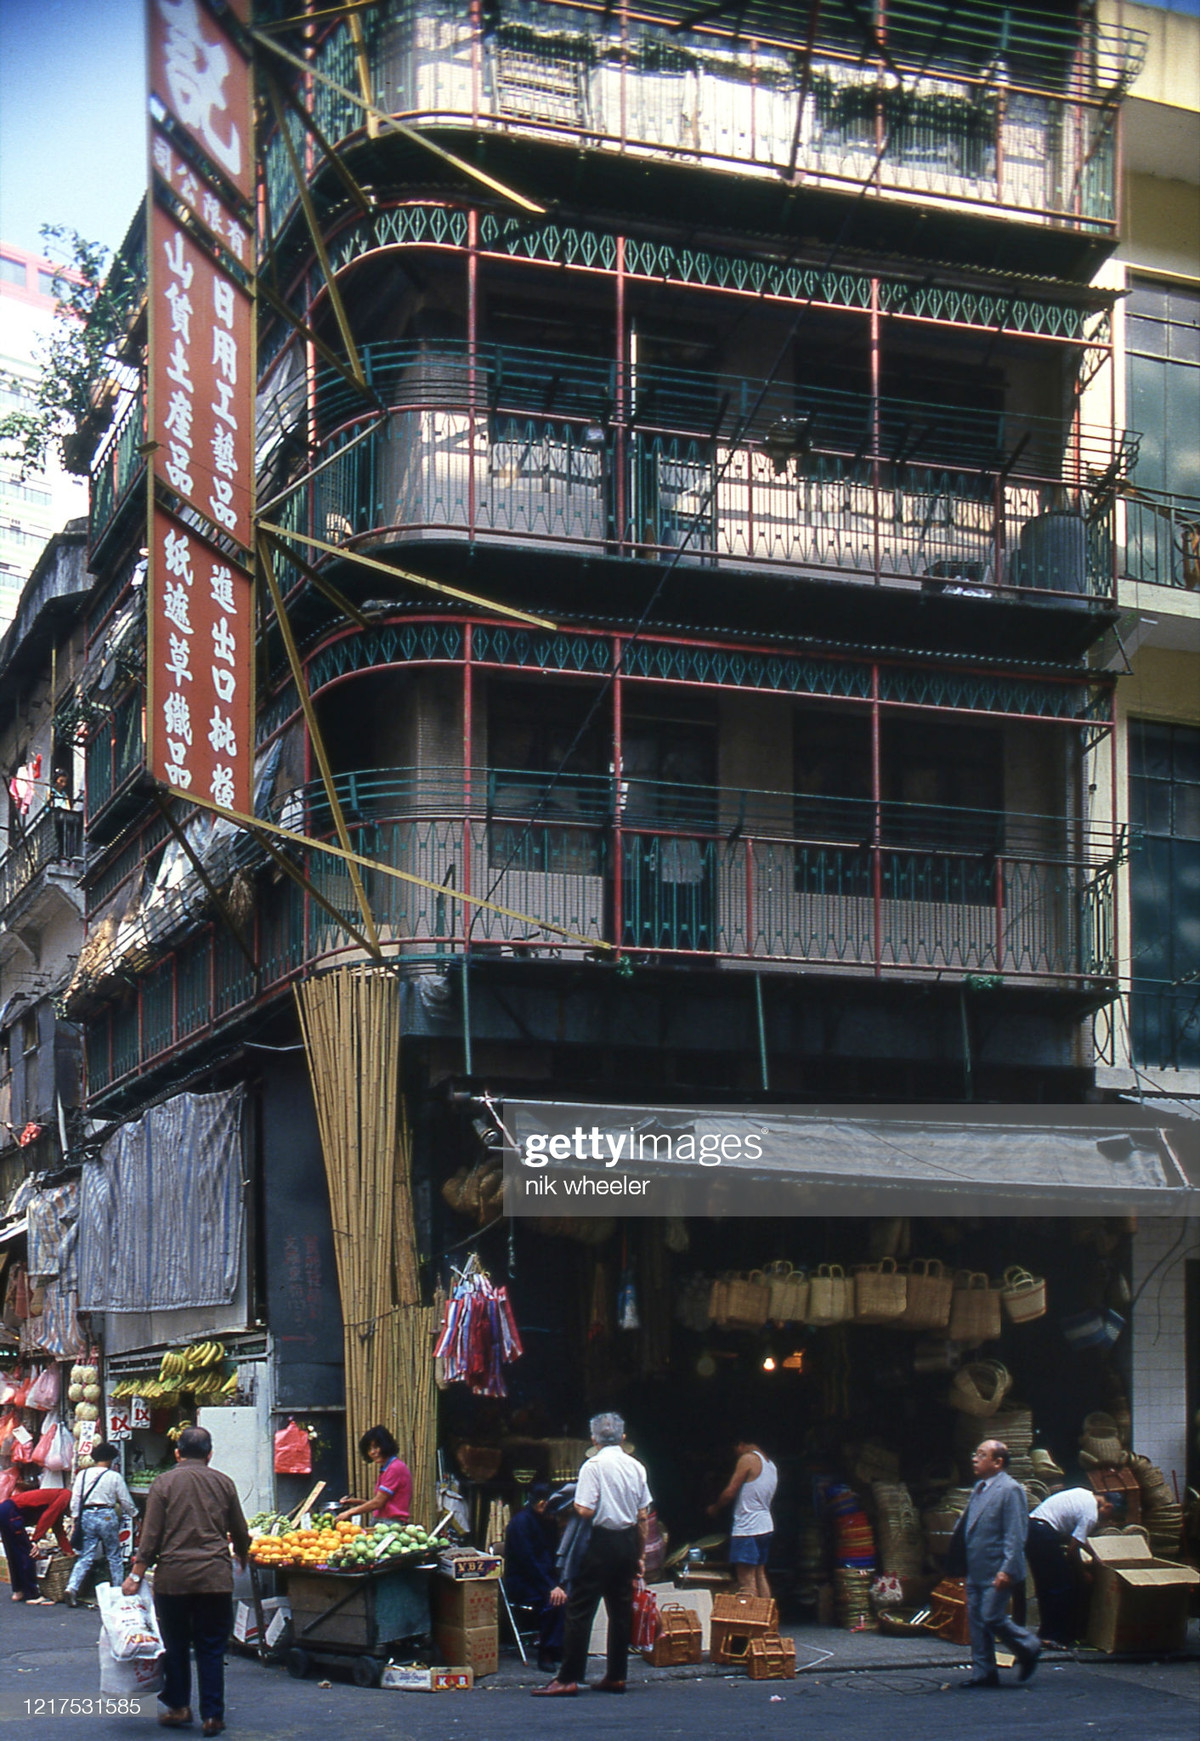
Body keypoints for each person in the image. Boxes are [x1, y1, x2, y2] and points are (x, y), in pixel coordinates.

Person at [121, 1424, 251, 1738]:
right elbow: (240, 1530)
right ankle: (212, 1716)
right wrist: (242, 1555)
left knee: (176, 1645)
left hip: (174, 1579)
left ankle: (179, 1707)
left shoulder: (164, 1483)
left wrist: (136, 1573)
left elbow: (150, 1535)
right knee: (211, 1648)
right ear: (210, 1454)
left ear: (177, 1453)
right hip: (215, 1578)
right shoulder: (224, 1483)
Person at [533, 1412, 651, 1699]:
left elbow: (585, 1509)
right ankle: (616, 1676)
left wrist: (566, 1501)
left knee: (580, 1609)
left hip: (599, 1543)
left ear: (594, 1439)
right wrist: (640, 1555)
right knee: (620, 1611)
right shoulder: (636, 1467)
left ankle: (568, 1678)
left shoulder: (592, 1465)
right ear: (623, 1438)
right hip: (626, 1541)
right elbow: (643, 1516)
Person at [952, 1439, 1042, 1689]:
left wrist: (1008, 1568)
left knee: (991, 1616)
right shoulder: (979, 1488)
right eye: (975, 1454)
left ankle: (1029, 1646)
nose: (975, 1459)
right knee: (977, 1621)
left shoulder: (1010, 1490)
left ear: (997, 1462)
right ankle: (984, 1673)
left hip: (997, 1569)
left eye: (981, 1455)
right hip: (975, 1568)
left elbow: (1016, 1533)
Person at [1025, 1486, 1121, 1646]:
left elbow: (1079, 1539)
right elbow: (1072, 1550)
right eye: (1110, 1517)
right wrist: (1083, 1573)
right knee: (1062, 1586)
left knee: (1046, 1586)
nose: (1108, 1521)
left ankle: (1045, 1634)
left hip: (1033, 1528)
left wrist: (1096, 1556)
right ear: (1108, 1506)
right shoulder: (1091, 1514)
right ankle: (1054, 1636)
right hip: (1043, 1533)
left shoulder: (1083, 1493)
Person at [64, 1443, 136, 1605]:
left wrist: (76, 1517)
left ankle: (72, 1587)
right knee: (113, 1555)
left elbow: (75, 1499)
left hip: (87, 1515)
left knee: (86, 1555)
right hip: (107, 1516)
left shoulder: (82, 1475)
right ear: (110, 1459)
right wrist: (135, 1514)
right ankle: (118, 1591)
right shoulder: (114, 1476)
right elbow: (124, 1500)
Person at [706, 1436, 777, 1598]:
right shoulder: (770, 1465)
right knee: (760, 1574)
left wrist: (715, 1508)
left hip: (747, 1527)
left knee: (746, 1581)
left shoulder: (748, 1459)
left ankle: (750, 1621)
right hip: (765, 1526)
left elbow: (730, 1492)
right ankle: (766, 1619)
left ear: (741, 1444)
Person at [504, 1483, 565, 1673]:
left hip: (543, 1577)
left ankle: (557, 1646)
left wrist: (557, 1583)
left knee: (568, 1596)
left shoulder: (548, 1521)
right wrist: (550, 1586)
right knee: (552, 1601)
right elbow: (528, 1561)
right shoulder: (520, 1523)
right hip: (523, 1580)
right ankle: (545, 1650)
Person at [335, 1425, 411, 1524]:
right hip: (384, 1521)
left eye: (376, 1447)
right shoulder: (386, 1468)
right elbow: (384, 1505)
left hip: (390, 1524)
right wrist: (355, 1501)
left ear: (385, 1445)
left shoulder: (395, 1468)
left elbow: (378, 1503)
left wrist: (349, 1512)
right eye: (369, 1449)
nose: (372, 1452)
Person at [0, 1469, 53, 1603]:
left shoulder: (56, 1495)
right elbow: (48, 1517)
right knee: (26, 1552)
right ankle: (31, 1593)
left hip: (6, 1510)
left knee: (12, 1551)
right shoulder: (63, 1497)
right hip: (12, 1514)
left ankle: (18, 1591)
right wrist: (35, 1540)